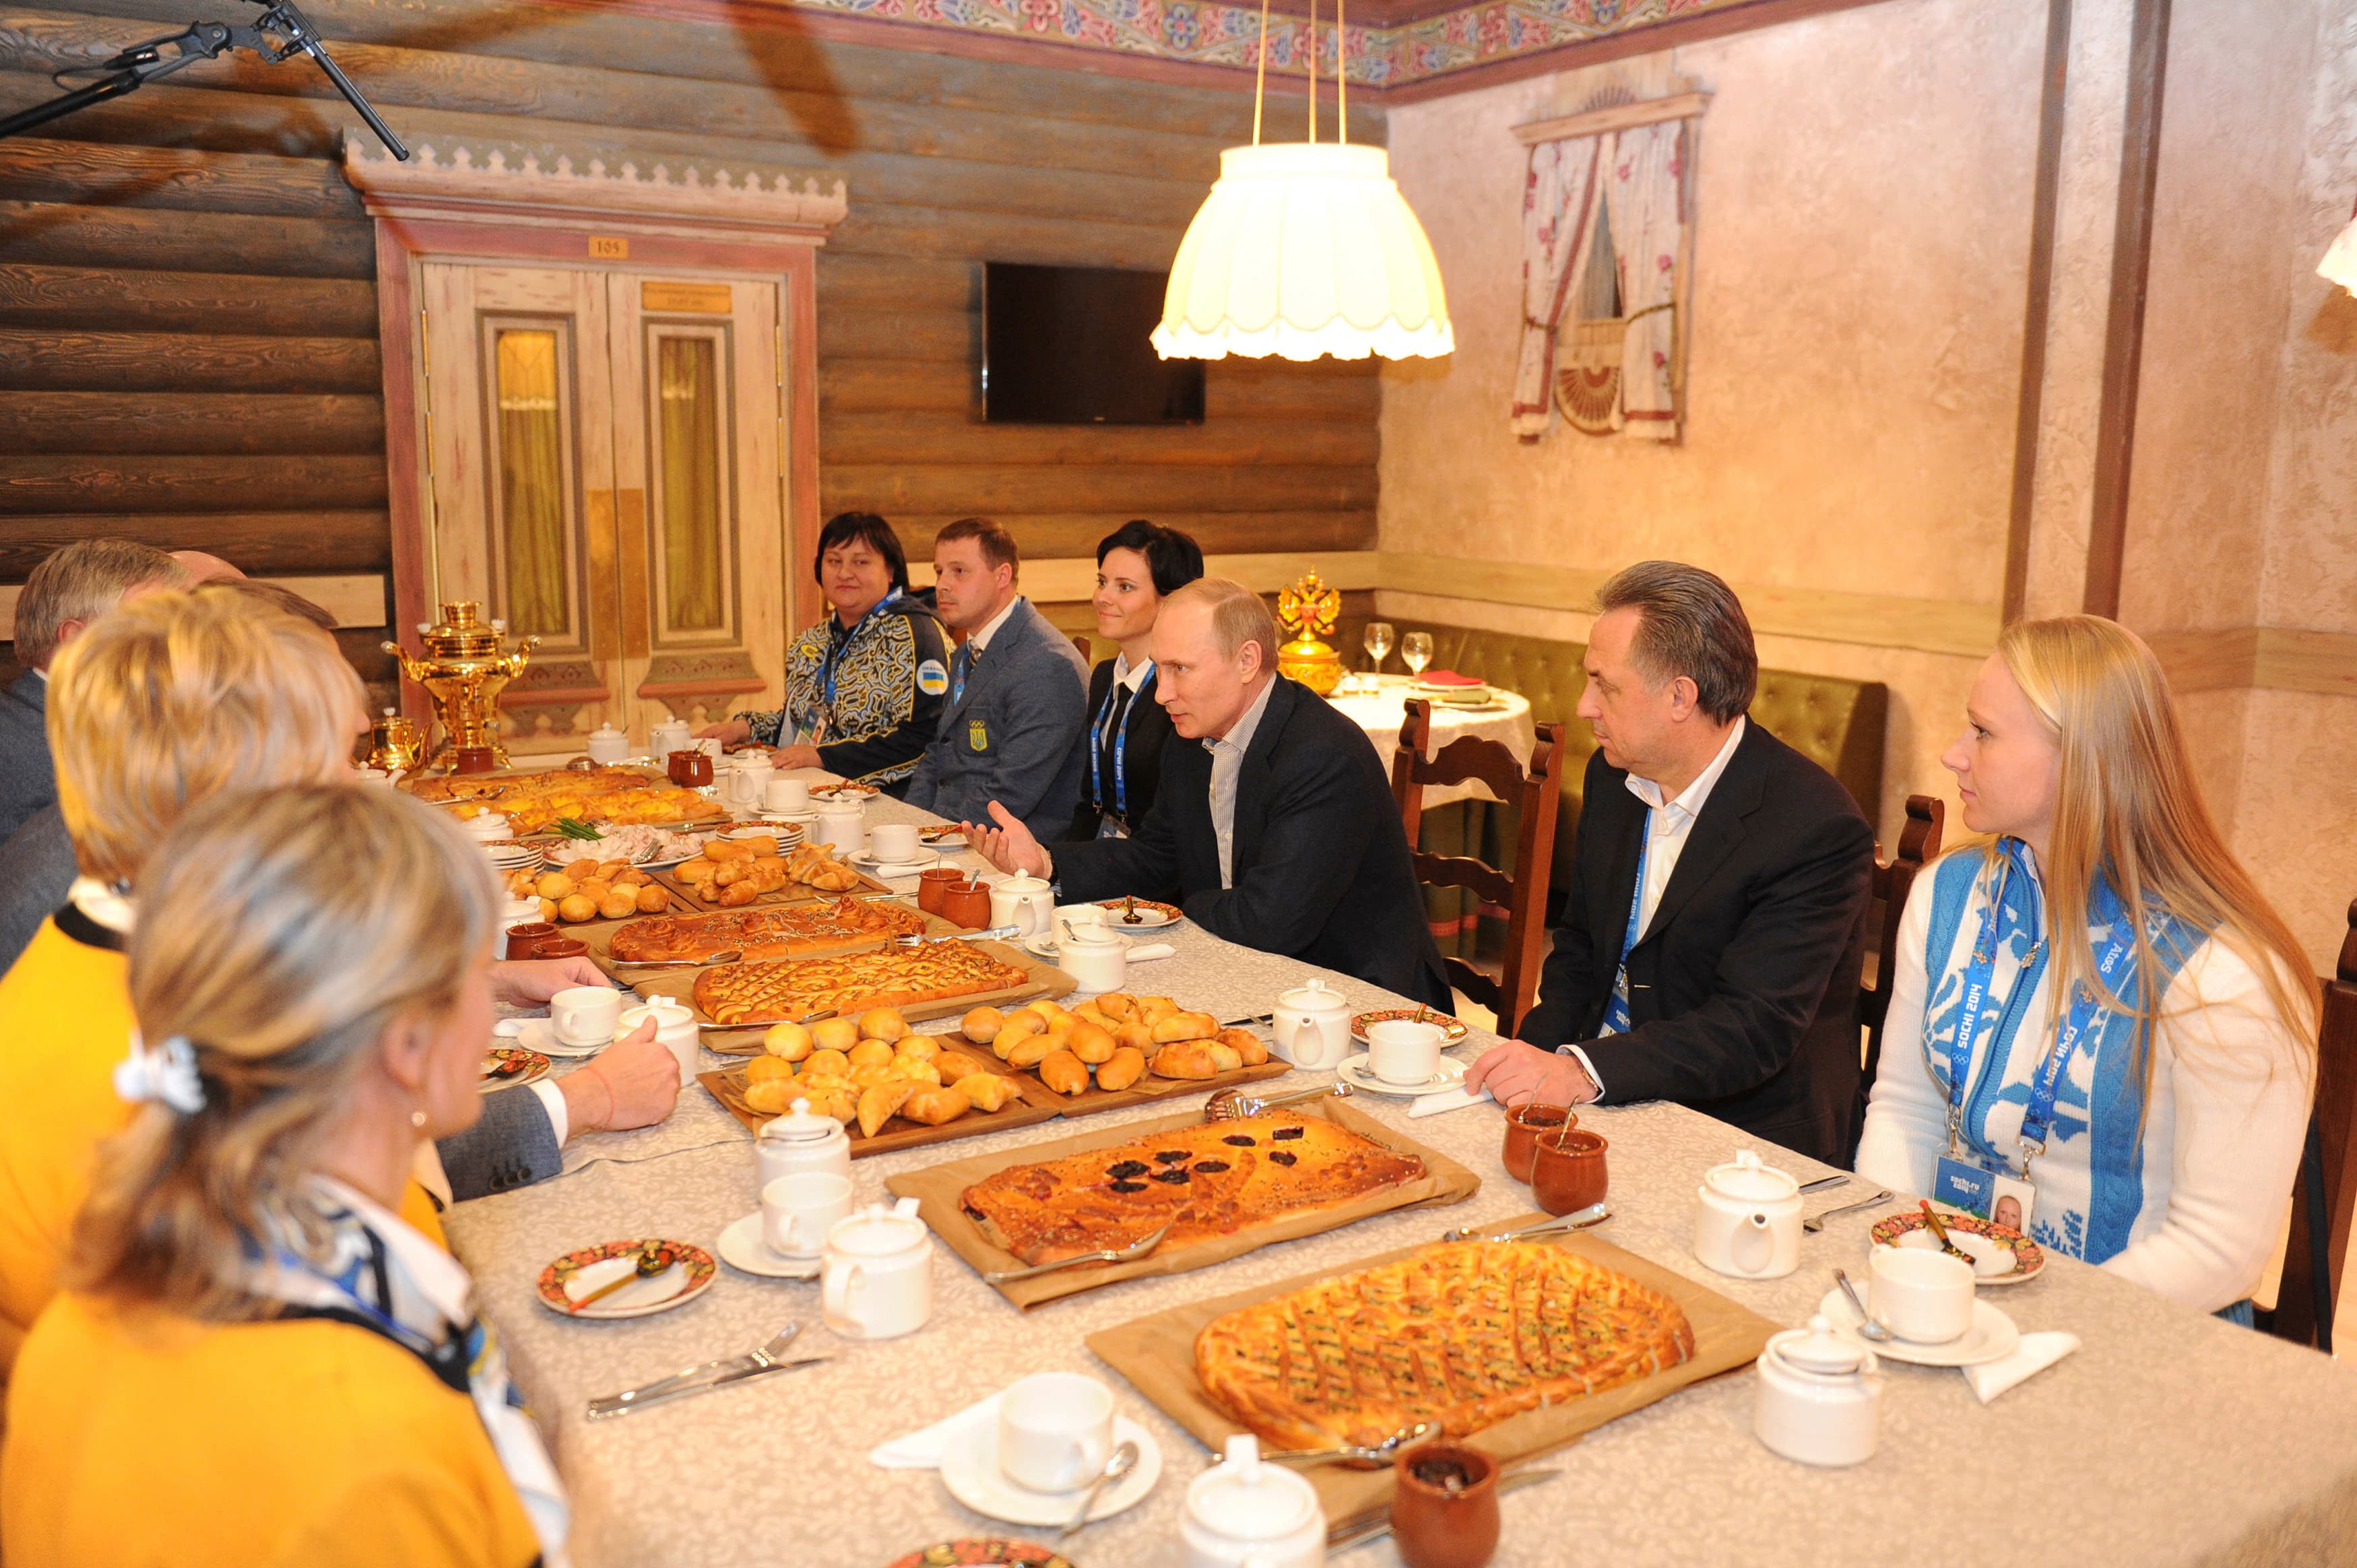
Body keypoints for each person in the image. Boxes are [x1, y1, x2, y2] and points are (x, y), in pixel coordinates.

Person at [0, 587, 678, 1375]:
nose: (358, 791)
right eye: (335, 761)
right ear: (239, 786)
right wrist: (585, 1099)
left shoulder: (142, 949)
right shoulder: (157, 1036)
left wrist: (482, 981)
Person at [3, 785, 564, 1567]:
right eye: (479, 972)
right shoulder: (369, 1449)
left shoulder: (91, 1308)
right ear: (407, 1045)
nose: (490, 1010)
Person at [1856, 616, 2317, 1317]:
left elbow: (2219, 1251)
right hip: (1945, 1297)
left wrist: (2024, 1327)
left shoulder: (2226, 976)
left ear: (2080, 759)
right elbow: (1905, 1107)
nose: (1954, 755)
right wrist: (1908, 1271)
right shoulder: (1947, 898)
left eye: (1981, 732)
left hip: (2130, 1337)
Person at [1464, 562, 1875, 1168]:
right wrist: (1534, 1059)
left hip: (1740, 1133)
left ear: (1680, 696)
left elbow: (1750, 1026)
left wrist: (1580, 1072)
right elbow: (1580, 946)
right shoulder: (1614, 774)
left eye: (1603, 685)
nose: (1583, 707)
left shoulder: (1811, 825)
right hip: (1608, 1089)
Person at [967, 579, 1452, 1010]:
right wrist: (1048, 863)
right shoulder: (1193, 735)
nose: (1162, 694)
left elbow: (1270, 922)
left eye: (1181, 669)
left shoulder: (1322, 756)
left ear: (1247, 661)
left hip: (1362, 1002)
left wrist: (1180, 906)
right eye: (1160, 669)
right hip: (1251, 970)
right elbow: (1158, 856)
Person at [0, 540, 191, 971]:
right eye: (158, 628)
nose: (182, 650)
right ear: (76, 641)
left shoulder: (100, 737)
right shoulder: (17, 748)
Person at [698, 512, 950, 795]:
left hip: (893, 803)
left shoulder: (916, 635)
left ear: (890, 571)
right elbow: (802, 725)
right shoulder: (811, 642)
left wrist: (824, 757)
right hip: (814, 793)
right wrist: (745, 728)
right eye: (834, 561)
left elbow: (925, 737)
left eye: (861, 562)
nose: (844, 573)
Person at [902, 517, 1088, 839]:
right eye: (939, 571)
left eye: (959, 571)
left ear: (1002, 576)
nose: (943, 585)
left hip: (1011, 851)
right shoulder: (966, 652)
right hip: (953, 832)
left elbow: (1013, 791)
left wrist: (931, 837)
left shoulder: (1047, 663)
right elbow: (938, 754)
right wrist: (907, 825)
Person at [1068, 520, 1203, 842]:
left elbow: (1181, 824)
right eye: (1102, 582)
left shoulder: (1185, 690)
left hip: (1160, 871)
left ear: (1170, 599)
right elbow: (1091, 801)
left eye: (1124, 587)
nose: (1103, 597)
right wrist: (1056, 868)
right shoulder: (1104, 676)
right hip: (1106, 858)